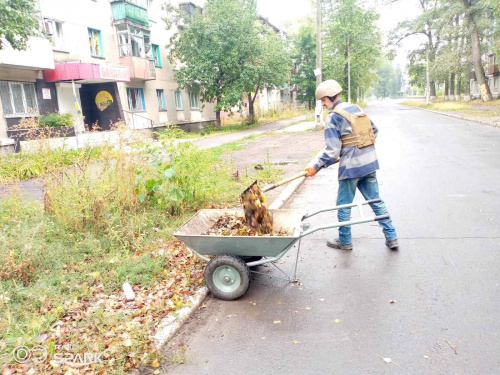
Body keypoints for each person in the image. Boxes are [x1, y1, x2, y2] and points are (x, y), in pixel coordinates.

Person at [304, 80, 399, 250]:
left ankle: (345, 241)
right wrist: (354, 147)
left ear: (328, 97)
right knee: (376, 201)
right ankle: (392, 237)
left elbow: (332, 151)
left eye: (323, 101)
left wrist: (315, 167)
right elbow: (374, 131)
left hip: (351, 169)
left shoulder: (333, 117)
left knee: (344, 205)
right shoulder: (356, 108)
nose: (323, 105)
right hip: (369, 164)